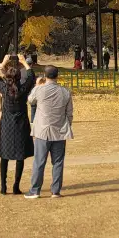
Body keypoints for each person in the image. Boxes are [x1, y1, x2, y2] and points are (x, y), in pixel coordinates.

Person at [23, 65, 73, 199]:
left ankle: (35, 190)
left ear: (45, 76)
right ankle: (55, 190)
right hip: (59, 131)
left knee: (39, 161)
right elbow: (69, 114)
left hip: (42, 131)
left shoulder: (39, 90)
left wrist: (37, 85)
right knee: (58, 162)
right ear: (57, 76)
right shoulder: (65, 92)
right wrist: (65, 126)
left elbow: (30, 100)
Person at [0, 54, 34, 195]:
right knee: (20, 157)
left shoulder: (3, 88)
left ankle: (3, 186)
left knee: (4, 156)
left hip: (7, 125)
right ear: (19, 78)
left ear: (7, 78)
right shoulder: (23, 89)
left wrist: (3, 63)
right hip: (21, 125)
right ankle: (16, 186)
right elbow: (31, 77)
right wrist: (23, 62)